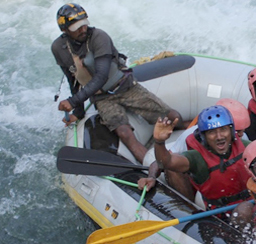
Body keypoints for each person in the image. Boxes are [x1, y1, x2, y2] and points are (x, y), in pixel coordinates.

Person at [51, 3, 182, 163]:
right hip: (102, 99)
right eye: (77, 27)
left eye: (84, 24)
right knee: (124, 133)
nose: (83, 29)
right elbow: (74, 80)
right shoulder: (59, 48)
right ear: (65, 30)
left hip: (126, 87)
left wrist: (72, 101)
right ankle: (154, 169)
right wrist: (78, 112)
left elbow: (101, 76)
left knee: (173, 117)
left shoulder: (99, 37)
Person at [138, 105, 253, 228]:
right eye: (212, 132)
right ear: (204, 136)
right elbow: (167, 162)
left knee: (245, 210)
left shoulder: (246, 146)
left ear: (231, 130)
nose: (219, 137)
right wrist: (159, 142)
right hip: (221, 215)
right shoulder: (196, 157)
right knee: (243, 211)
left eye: (223, 129)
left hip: (254, 205)